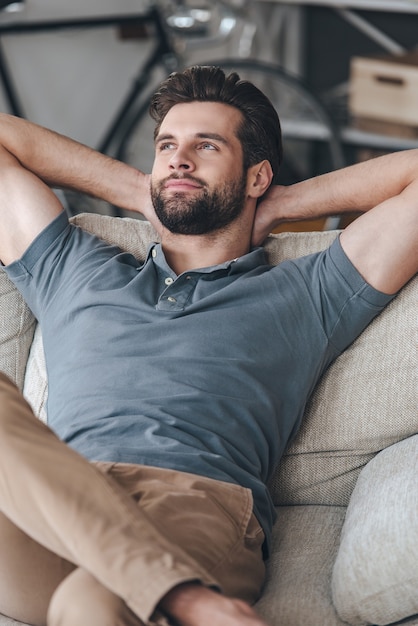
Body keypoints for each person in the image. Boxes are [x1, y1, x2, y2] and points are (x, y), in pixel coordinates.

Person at [0, 65, 416, 626]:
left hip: (193, 502)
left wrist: (284, 202)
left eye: (207, 146)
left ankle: (168, 591)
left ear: (255, 176)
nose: (178, 159)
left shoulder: (310, 290)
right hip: (62, 499)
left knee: (88, 604)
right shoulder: (74, 266)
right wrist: (136, 189)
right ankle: (185, 601)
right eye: (167, 146)